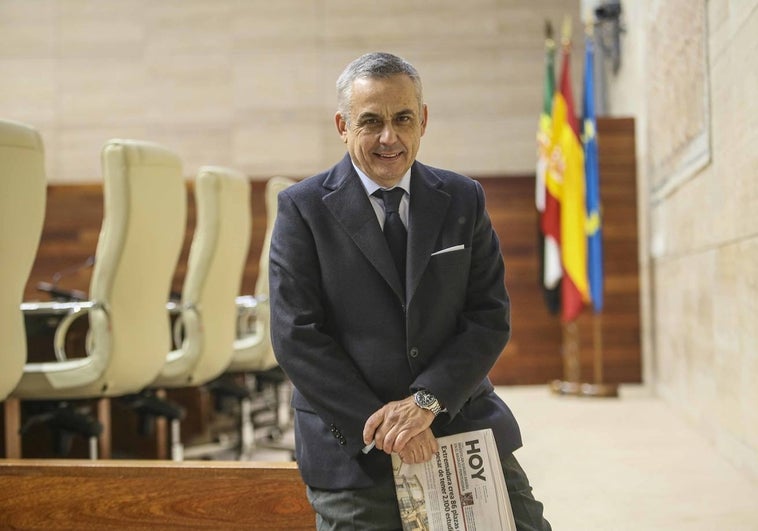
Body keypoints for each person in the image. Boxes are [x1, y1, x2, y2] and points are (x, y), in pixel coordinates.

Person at [269, 51, 551, 530]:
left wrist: (426, 403)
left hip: (455, 416)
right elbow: (296, 335)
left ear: (423, 120)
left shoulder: (463, 198)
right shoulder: (302, 209)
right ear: (342, 125)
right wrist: (388, 428)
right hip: (353, 439)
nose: (389, 137)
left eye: (402, 118)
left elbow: (488, 317)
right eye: (370, 121)